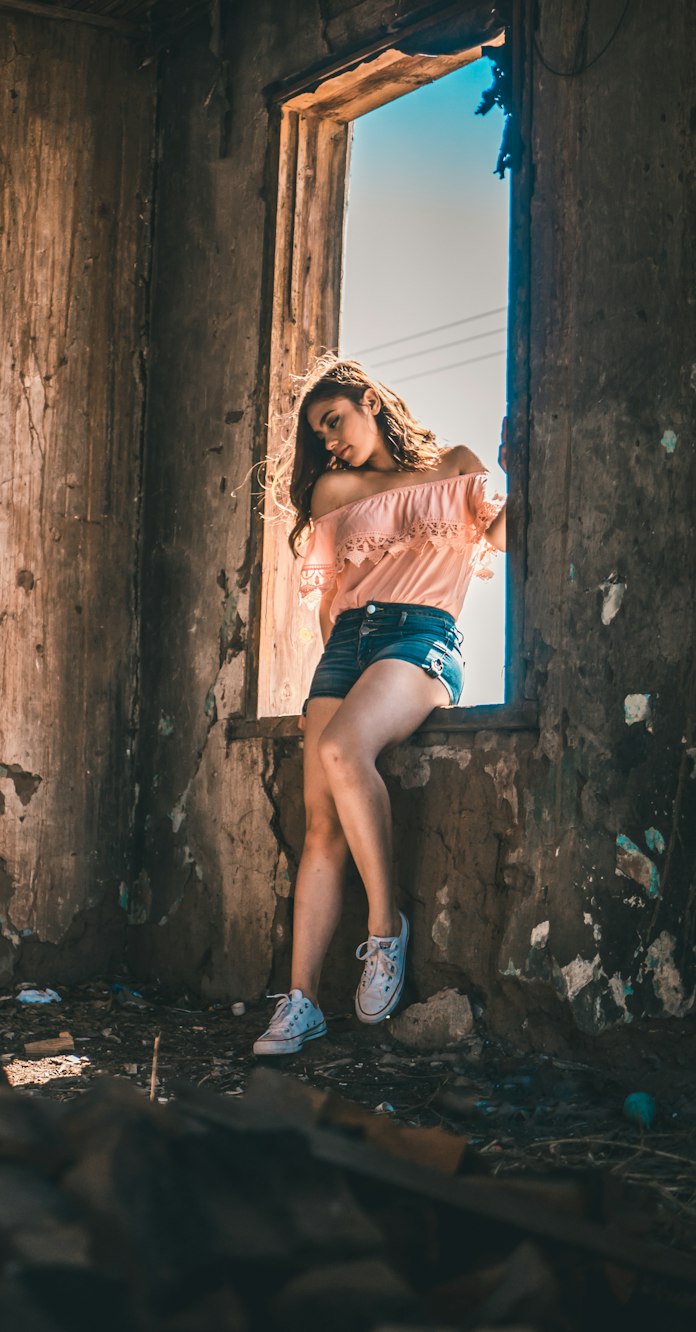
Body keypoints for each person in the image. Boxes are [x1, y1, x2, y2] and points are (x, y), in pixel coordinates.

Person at [253, 359, 506, 1056]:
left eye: (334, 421)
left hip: (421, 636)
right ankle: (300, 1001)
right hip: (346, 646)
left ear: (370, 400)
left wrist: (523, 471)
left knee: (342, 749)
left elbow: (505, 537)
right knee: (320, 827)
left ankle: (383, 926)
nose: (329, 442)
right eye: (319, 434)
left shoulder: (456, 466)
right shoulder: (337, 489)